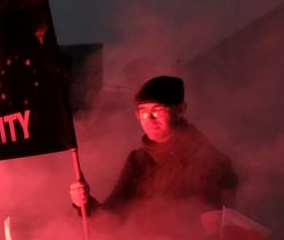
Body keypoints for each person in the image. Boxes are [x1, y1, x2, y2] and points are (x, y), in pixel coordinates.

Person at [69, 75, 238, 221]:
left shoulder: (211, 162)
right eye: (142, 111)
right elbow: (112, 220)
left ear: (180, 110)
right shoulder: (138, 161)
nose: (149, 118)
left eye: (158, 110)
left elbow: (219, 230)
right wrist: (84, 203)